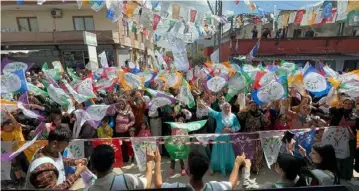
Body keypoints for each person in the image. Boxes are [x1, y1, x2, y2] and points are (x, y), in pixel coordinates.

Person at [155, 149, 247, 190]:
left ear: (188, 171)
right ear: (206, 170)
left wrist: (157, 162)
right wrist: (237, 164)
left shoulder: (178, 187)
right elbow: (232, 184)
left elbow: (158, 184)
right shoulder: (214, 187)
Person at [83, 144, 153, 190]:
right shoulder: (127, 180)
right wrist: (149, 162)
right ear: (114, 162)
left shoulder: (90, 189)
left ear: (92, 165)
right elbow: (147, 185)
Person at [200, 102, 240, 176]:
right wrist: (204, 105)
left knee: (228, 152)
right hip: (219, 137)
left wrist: (231, 129)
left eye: (228, 107)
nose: (227, 109)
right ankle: (216, 167)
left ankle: (229, 167)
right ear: (222, 108)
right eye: (225, 107)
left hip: (229, 138)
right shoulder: (219, 115)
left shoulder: (233, 116)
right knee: (218, 152)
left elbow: (238, 126)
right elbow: (211, 111)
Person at [329, 97, 358, 180]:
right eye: (345, 103)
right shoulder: (338, 112)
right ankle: (337, 176)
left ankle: (347, 176)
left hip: (350, 140)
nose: (347, 105)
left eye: (349, 104)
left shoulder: (355, 114)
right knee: (338, 157)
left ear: (352, 105)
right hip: (338, 139)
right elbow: (332, 122)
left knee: (349, 158)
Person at [237, 101, 270, 173]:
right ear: (249, 106)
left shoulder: (260, 114)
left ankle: (255, 168)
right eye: (252, 105)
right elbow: (239, 115)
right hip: (247, 135)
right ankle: (247, 167)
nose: (253, 106)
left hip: (257, 135)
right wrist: (246, 109)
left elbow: (266, 123)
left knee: (257, 152)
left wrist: (266, 119)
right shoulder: (246, 113)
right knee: (247, 152)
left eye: (255, 105)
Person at [1, 109, 29, 188]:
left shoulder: (17, 129)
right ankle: (20, 180)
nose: (6, 126)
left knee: (27, 164)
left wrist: (9, 114)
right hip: (13, 154)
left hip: (24, 151)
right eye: (4, 125)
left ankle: (30, 176)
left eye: (8, 123)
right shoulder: (3, 134)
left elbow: (15, 123)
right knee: (15, 164)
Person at [108, 98, 135, 162]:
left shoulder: (129, 111)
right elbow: (109, 110)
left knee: (126, 146)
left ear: (125, 104)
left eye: (122, 104)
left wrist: (127, 125)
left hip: (125, 132)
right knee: (119, 146)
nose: (121, 105)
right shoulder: (116, 111)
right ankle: (120, 159)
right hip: (118, 132)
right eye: (120, 104)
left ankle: (126, 159)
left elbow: (133, 120)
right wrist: (115, 104)